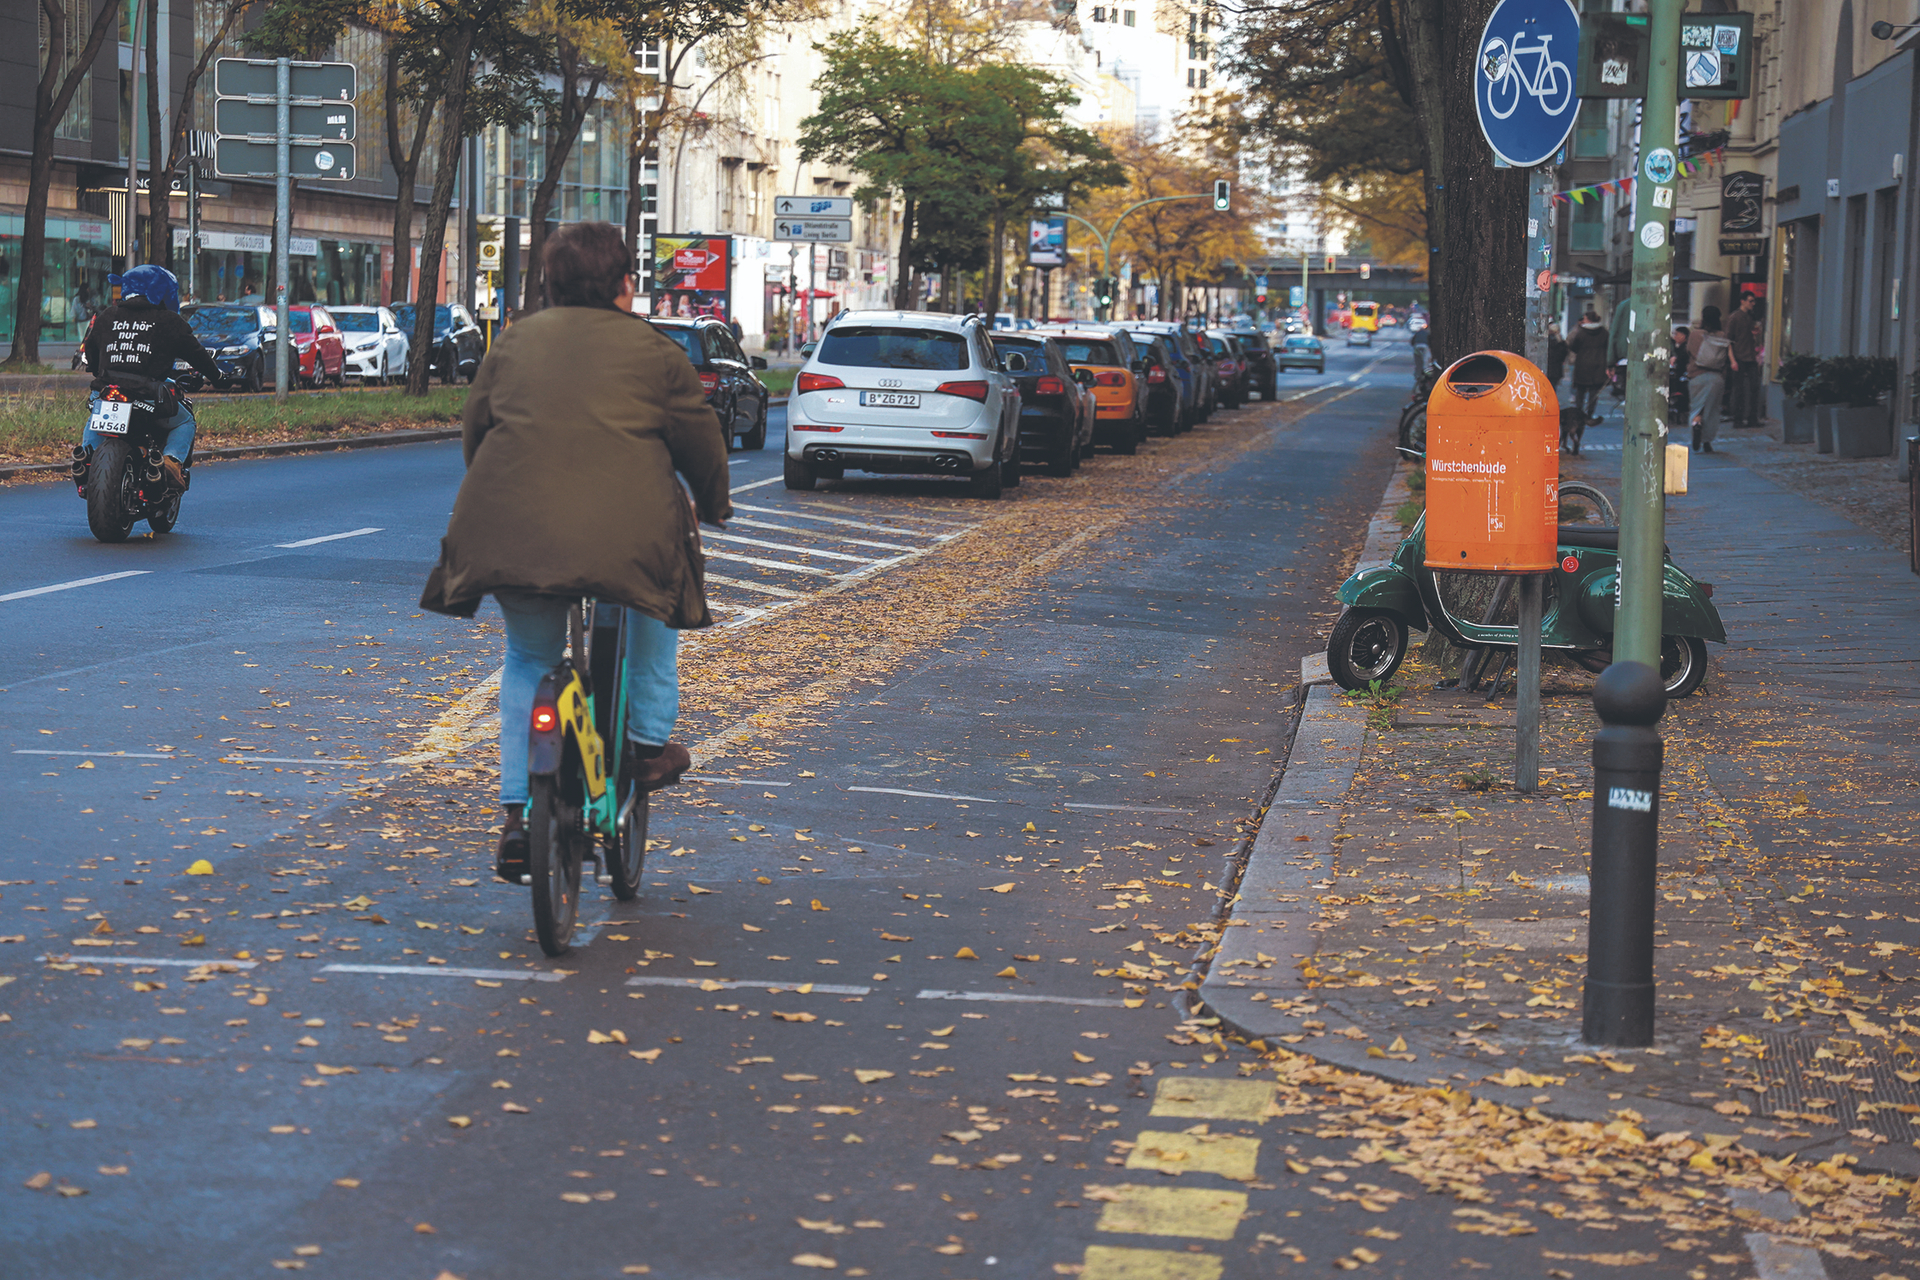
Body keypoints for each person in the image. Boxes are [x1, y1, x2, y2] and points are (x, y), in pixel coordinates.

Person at [418, 222, 733, 883]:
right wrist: (715, 500)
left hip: (508, 528)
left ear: (551, 285)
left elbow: (478, 433)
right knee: (654, 616)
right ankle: (646, 747)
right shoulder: (655, 350)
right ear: (624, 285)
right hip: (630, 537)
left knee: (528, 657)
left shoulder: (515, 343)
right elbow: (699, 439)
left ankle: (516, 815)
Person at [80, 265, 217, 491]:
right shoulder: (169, 321)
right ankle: (171, 462)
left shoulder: (107, 316)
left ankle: (85, 457)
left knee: (98, 409)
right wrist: (217, 375)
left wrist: (98, 370)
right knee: (184, 421)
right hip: (148, 396)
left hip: (107, 390)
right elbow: (198, 355)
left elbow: (91, 355)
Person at [1685, 304, 1733, 453]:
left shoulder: (1694, 334)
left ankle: (1696, 423)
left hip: (1696, 376)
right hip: (1716, 377)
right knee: (1712, 410)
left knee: (1697, 407)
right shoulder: (1722, 335)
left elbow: (1689, 352)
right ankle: (1707, 442)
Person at [1725, 290, 1762, 429]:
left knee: (1754, 387)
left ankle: (1752, 418)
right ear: (1743, 301)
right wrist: (1732, 360)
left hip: (1750, 356)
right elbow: (1728, 340)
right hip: (1739, 356)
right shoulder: (1734, 317)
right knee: (1739, 389)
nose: (1753, 304)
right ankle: (1738, 419)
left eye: (1753, 301)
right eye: (1750, 301)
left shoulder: (1750, 317)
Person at [1568, 309, 1610, 422]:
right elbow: (1608, 347)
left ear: (1588, 320)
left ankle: (1578, 413)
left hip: (1583, 364)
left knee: (1580, 391)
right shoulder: (1604, 332)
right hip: (1599, 364)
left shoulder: (1581, 332)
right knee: (1594, 392)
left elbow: (1573, 346)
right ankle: (1590, 413)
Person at [1546, 319, 1568, 387]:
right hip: (1556, 369)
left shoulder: (1547, 340)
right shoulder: (1561, 341)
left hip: (1549, 367)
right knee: (1553, 386)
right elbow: (1564, 354)